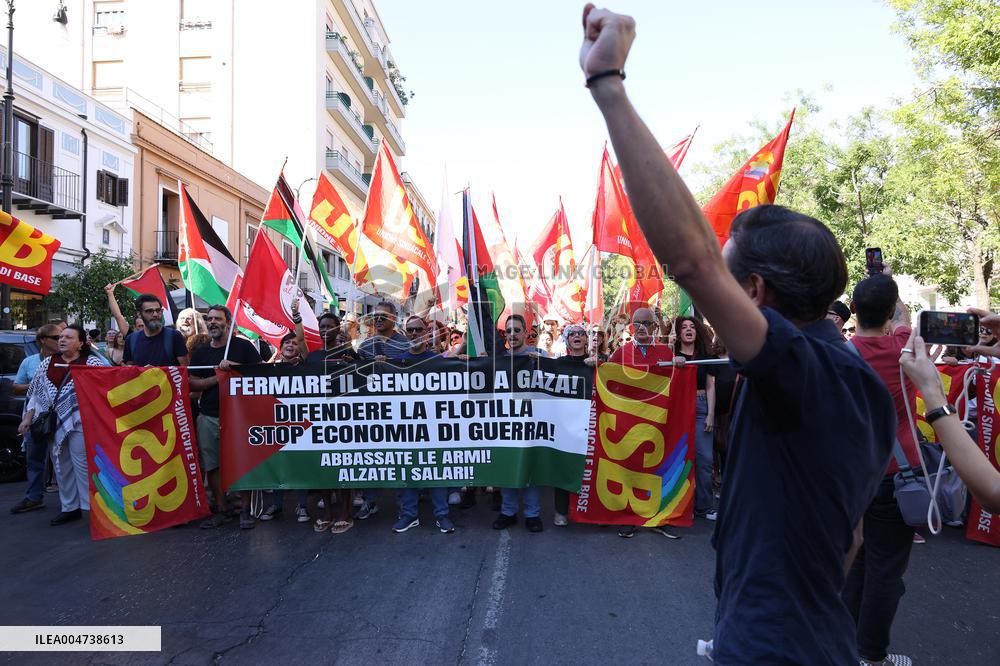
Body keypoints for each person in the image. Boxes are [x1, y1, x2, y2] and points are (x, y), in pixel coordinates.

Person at [580, 7, 896, 662]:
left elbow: (690, 260)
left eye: (724, 281)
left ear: (752, 293)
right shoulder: (852, 381)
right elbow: (852, 539)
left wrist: (607, 83)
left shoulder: (803, 371)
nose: (707, 294)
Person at [842, 274, 918, 666]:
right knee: (886, 570)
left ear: (852, 310)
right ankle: (871, 656)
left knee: (857, 560)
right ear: (890, 311)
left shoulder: (839, 354)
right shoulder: (905, 348)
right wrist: (889, 288)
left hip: (854, 475)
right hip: (897, 472)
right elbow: (904, 319)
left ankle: (845, 647)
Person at [900, 319, 1000, 514]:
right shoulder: (950, 357)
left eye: (988, 331)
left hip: (982, 422)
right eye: (979, 330)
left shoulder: (990, 360)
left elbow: (993, 495)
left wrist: (930, 391)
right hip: (965, 421)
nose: (983, 333)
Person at [19, 325, 107, 525]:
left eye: (68, 337)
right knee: (61, 465)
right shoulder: (48, 363)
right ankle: (70, 508)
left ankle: (91, 509)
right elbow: (35, 394)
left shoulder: (91, 362)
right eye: (61, 337)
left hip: (81, 422)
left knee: (82, 465)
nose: (62, 340)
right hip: (54, 423)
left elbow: (107, 386)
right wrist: (27, 418)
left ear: (80, 343)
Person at [609, 307, 683, 539]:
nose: (641, 327)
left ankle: (658, 518)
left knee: (658, 468)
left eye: (646, 323)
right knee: (630, 468)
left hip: (657, 423)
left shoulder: (666, 352)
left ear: (654, 327)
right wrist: (592, 365)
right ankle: (629, 517)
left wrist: (681, 364)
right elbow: (607, 379)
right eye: (637, 323)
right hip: (628, 423)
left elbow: (678, 383)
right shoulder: (621, 352)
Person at [189, 305, 262, 529]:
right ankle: (222, 509)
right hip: (209, 417)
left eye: (217, 319)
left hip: (240, 417)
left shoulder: (243, 347)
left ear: (228, 323)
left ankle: (245, 510)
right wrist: (219, 376)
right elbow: (193, 383)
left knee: (243, 463)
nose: (212, 322)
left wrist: (235, 368)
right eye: (209, 319)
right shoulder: (201, 352)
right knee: (212, 466)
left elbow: (261, 374)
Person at [391, 315, 456, 533]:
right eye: (410, 330)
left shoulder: (437, 360)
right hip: (407, 428)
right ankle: (409, 515)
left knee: (437, 470)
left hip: (434, 427)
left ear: (426, 333)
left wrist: (466, 361)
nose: (414, 334)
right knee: (410, 470)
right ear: (405, 333)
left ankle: (442, 515)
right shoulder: (397, 361)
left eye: (418, 330)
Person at [494, 314, 545, 533]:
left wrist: (543, 363)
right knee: (508, 466)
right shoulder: (498, 358)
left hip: (531, 421)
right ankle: (508, 512)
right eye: (508, 331)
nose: (512, 334)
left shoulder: (539, 355)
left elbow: (555, 377)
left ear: (525, 332)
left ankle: (532, 514)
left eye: (517, 330)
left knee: (530, 468)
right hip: (506, 422)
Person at [9, 324, 63, 515]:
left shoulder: (66, 359)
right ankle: (34, 497)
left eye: (62, 337)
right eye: (56, 337)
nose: (60, 340)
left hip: (61, 417)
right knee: (34, 459)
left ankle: (72, 502)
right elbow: (16, 387)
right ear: (43, 340)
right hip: (36, 417)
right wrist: (37, 384)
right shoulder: (30, 362)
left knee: (65, 461)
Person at [673, 316, 718, 520]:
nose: (689, 329)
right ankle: (680, 507)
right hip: (678, 407)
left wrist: (710, 414)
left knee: (705, 460)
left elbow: (710, 386)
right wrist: (674, 363)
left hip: (701, 407)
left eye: (692, 326)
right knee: (679, 458)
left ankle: (704, 507)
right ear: (679, 333)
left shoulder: (705, 356)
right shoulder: (671, 354)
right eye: (684, 327)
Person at [550, 322, 592, 526]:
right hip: (565, 424)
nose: (577, 336)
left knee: (590, 467)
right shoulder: (558, 364)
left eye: (581, 333)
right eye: (572, 334)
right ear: (566, 341)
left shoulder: (595, 362)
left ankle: (590, 512)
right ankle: (560, 511)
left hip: (590, 422)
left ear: (586, 339)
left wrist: (601, 362)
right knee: (564, 467)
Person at [123, 294, 189, 367]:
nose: (155, 314)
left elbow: (184, 369)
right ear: (139, 314)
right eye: (149, 311)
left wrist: (158, 372)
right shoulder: (131, 339)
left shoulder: (174, 336)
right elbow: (129, 369)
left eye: (158, 310)